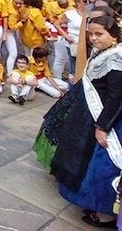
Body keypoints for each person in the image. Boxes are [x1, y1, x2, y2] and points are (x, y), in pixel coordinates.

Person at [35, 14, 121, 227]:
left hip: (104, 118)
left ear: (115, 35)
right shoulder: (104, 51)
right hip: (87, 114)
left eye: (99, 34)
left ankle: (105, 210)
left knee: (102, 166)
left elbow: (116, 97)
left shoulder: (117, 57)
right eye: (91, 34)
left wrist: (102, 127)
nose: (93, 38)